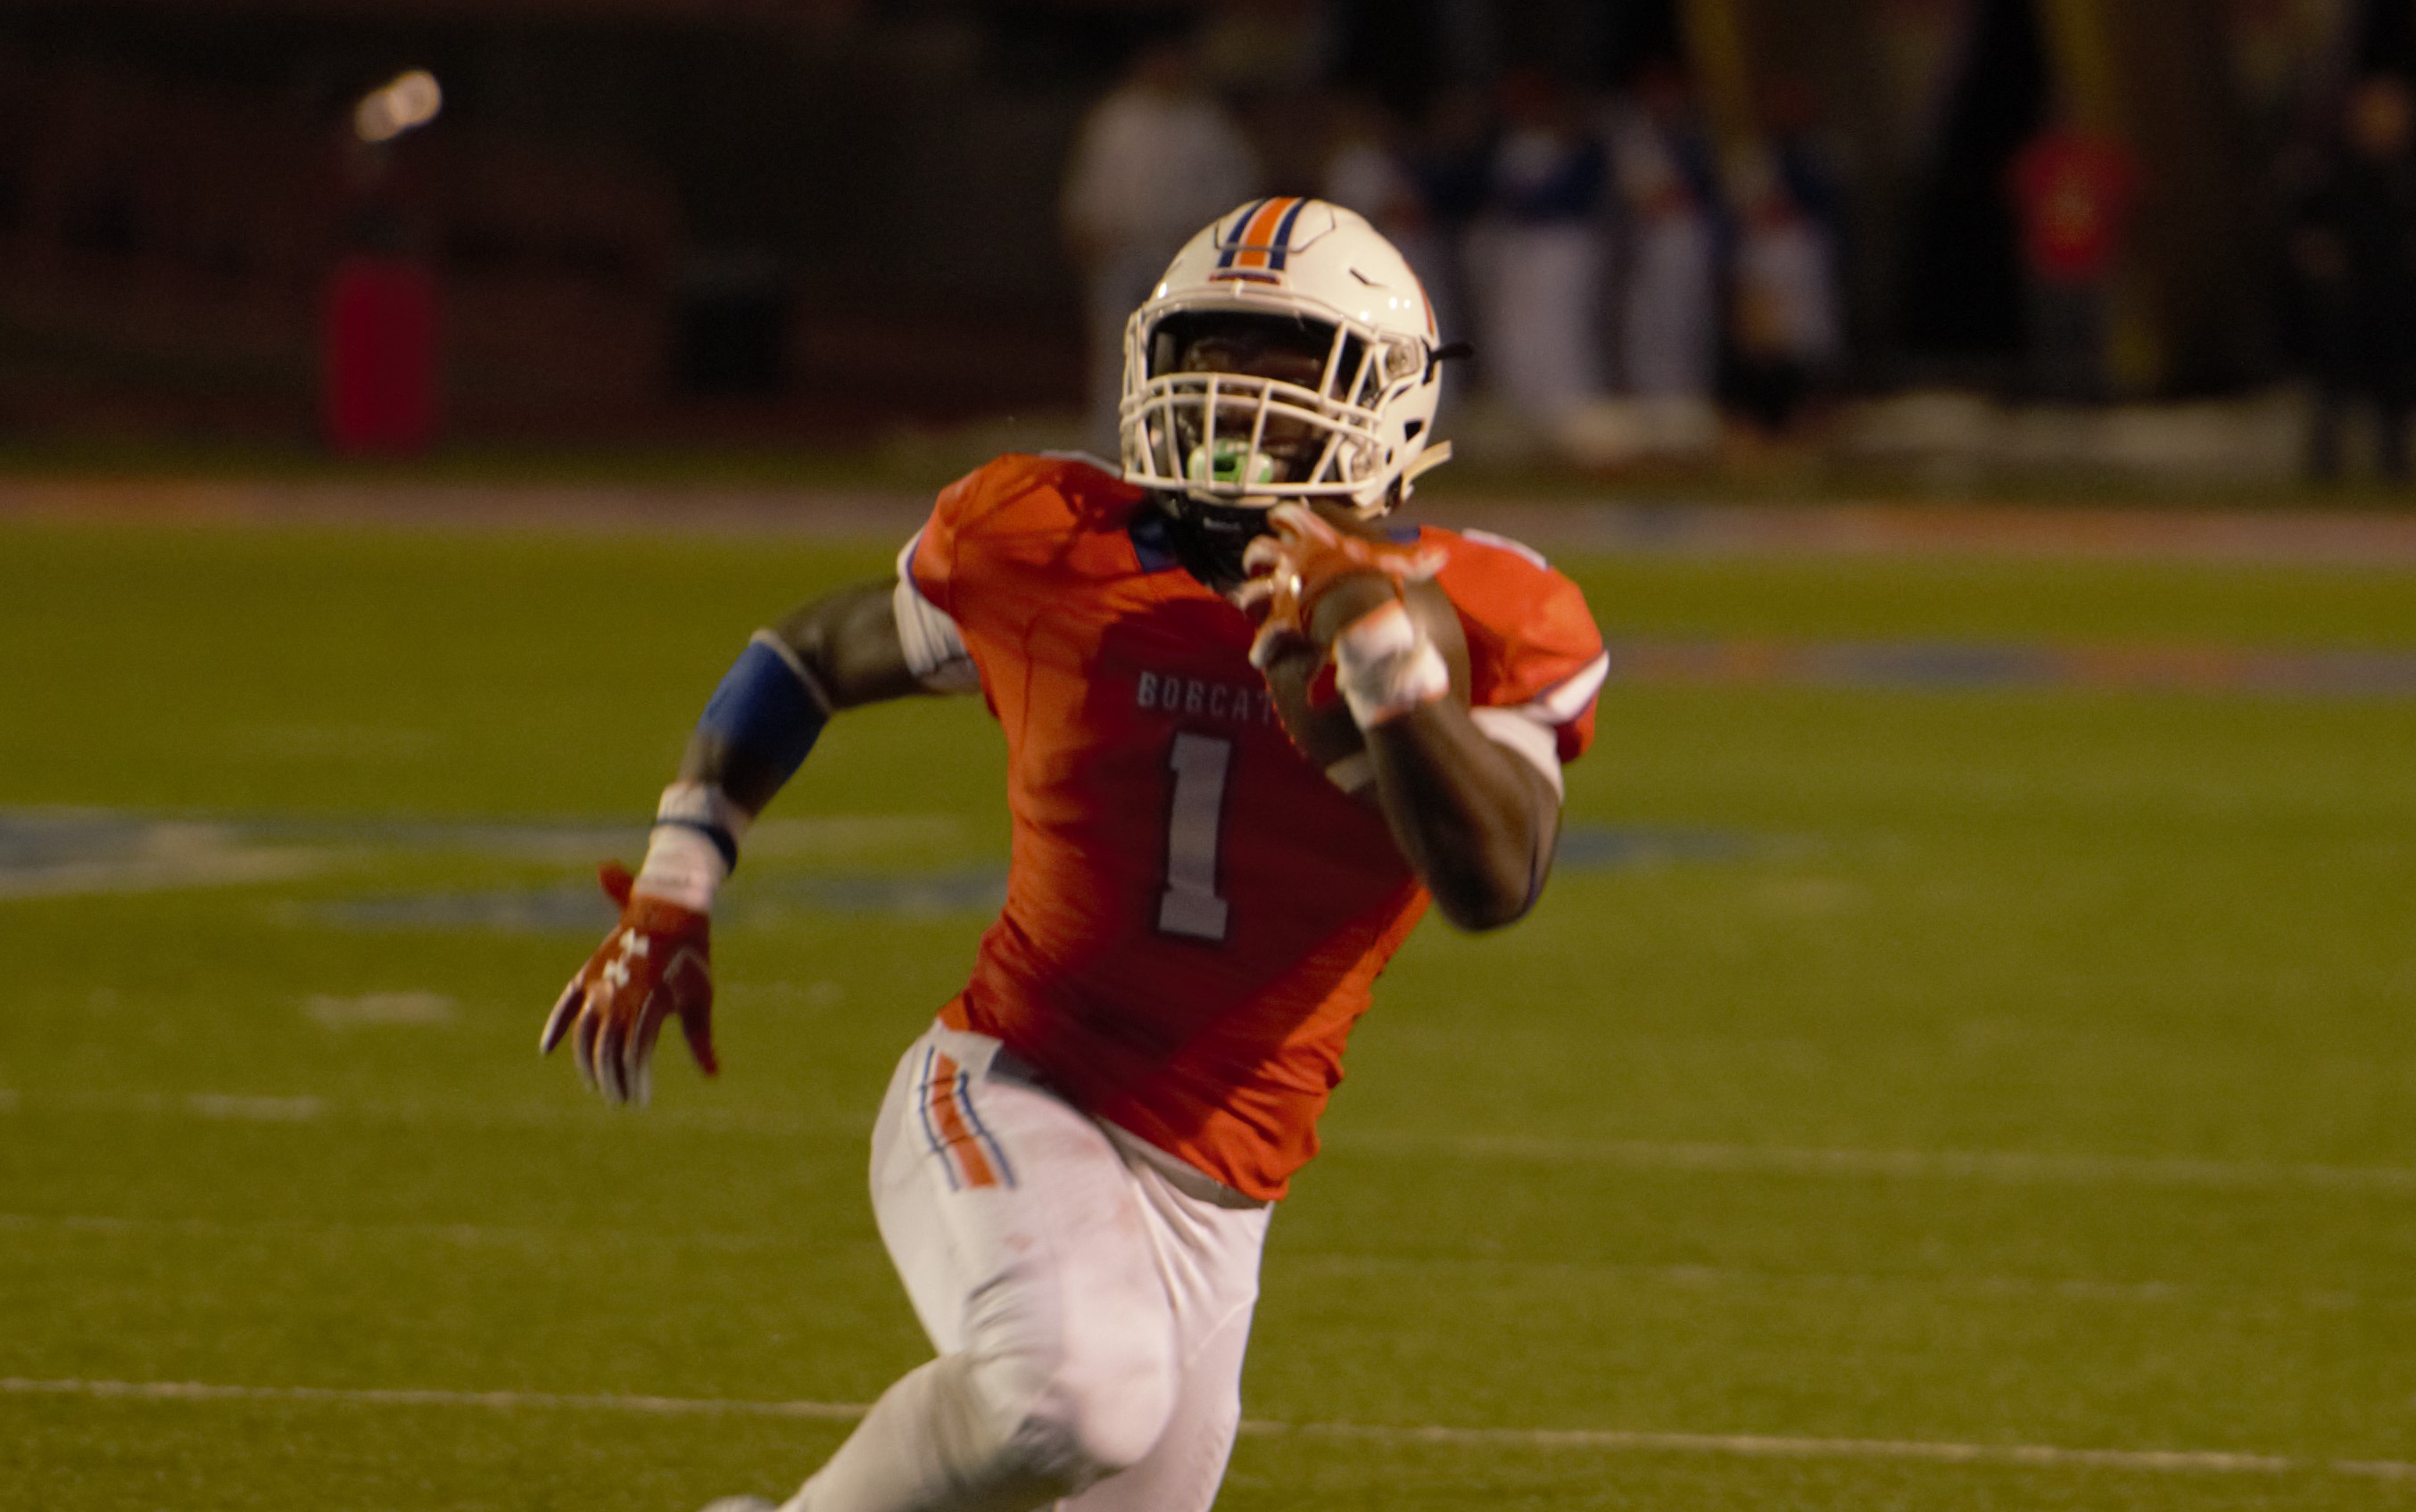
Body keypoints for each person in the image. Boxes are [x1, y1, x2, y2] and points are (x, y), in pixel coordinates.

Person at [540, 198, 1608, 1512]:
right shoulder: (1049, 543)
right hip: (1016, 1081)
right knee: (1075, 1398)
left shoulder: (1483, 611)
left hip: (1224, 1185)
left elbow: (1494, 881)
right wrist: (677, 880)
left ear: (1387, 394)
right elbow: (808, 655)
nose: (1231, 398)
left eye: (1282, 364)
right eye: (1209, 354)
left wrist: (1381, 655)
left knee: (1092, 1421)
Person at [1061, 35, 1260, 456]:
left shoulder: (1205, 124)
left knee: (1183, 349)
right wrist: (1085, 225)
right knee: (1117, 348)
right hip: (1120, 251)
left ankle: (1177, 437)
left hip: (1183, 255)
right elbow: (1092, 181)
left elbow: (1235, 189)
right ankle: (1111, 438)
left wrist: (1214, 242)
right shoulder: (1116, 118)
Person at [2291, 75, 2416, 482]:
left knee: (2394, 387)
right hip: (2348, 297)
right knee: (2333, 384)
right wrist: (2324, 265)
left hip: (2397, 296)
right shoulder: (2334, 170)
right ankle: (2323, 465)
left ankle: (2394, 465)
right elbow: (2308, 229)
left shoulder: (2404, 173)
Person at [2006, 113, 2138, 401]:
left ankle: (2091, 397)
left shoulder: (2101, 159)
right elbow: (2019, 199)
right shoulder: (2039, 160)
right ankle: (2055, 396)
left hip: (2092, 267)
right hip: (2049, 267)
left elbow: (2125, 200)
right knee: (2054, 338)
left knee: (2091, 338)